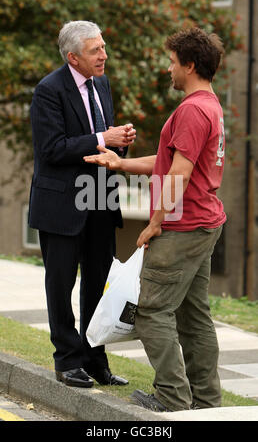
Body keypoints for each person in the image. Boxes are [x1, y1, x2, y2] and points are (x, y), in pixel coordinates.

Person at [84, 27, 226, 410]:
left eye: (172, 62)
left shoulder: (193, 110)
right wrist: (120, 162)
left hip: (182, 227)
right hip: (204, 223)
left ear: (190, 65)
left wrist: (155, 222)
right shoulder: (209, 105)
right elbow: (169, 163)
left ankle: (172, 398)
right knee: (194, 316)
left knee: (151, 312)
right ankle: (207, 401)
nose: (168, 69)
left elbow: (178, 175)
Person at [28, 20, 136, 388]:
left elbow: (101, 142)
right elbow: (52, 150)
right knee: (60, 285)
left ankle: (94, 359)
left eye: (103, 47)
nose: (104, 55)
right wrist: (99, 137)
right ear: (73, 57)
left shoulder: (101, 83)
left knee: (97, 283)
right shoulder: (48, 90)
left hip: (101, 198)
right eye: (96, 50)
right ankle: (67, 360)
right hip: (61, 204)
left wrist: (118, 142)